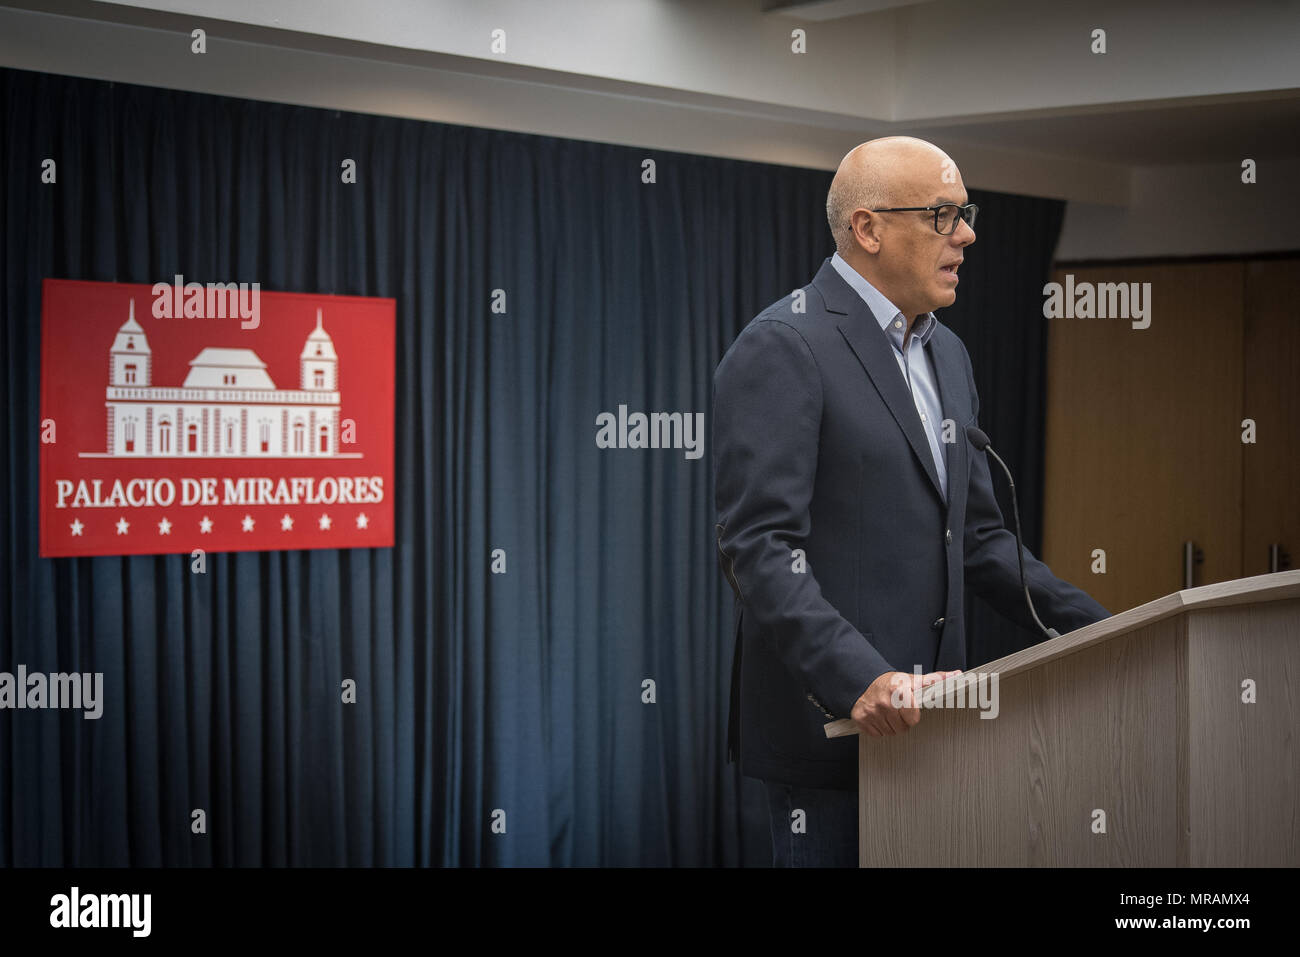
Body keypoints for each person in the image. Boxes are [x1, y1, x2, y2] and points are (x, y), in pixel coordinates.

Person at [712, 136, 1109, 867]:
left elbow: (980, 538)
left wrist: (1101, 628)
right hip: (835, 733)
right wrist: (858, 674)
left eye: (965, 213)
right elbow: (758, 549)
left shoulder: (947, 353)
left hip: (940, 729)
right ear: (867, 229)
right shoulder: (785, 344)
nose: (967, 234)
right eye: (942, 215)